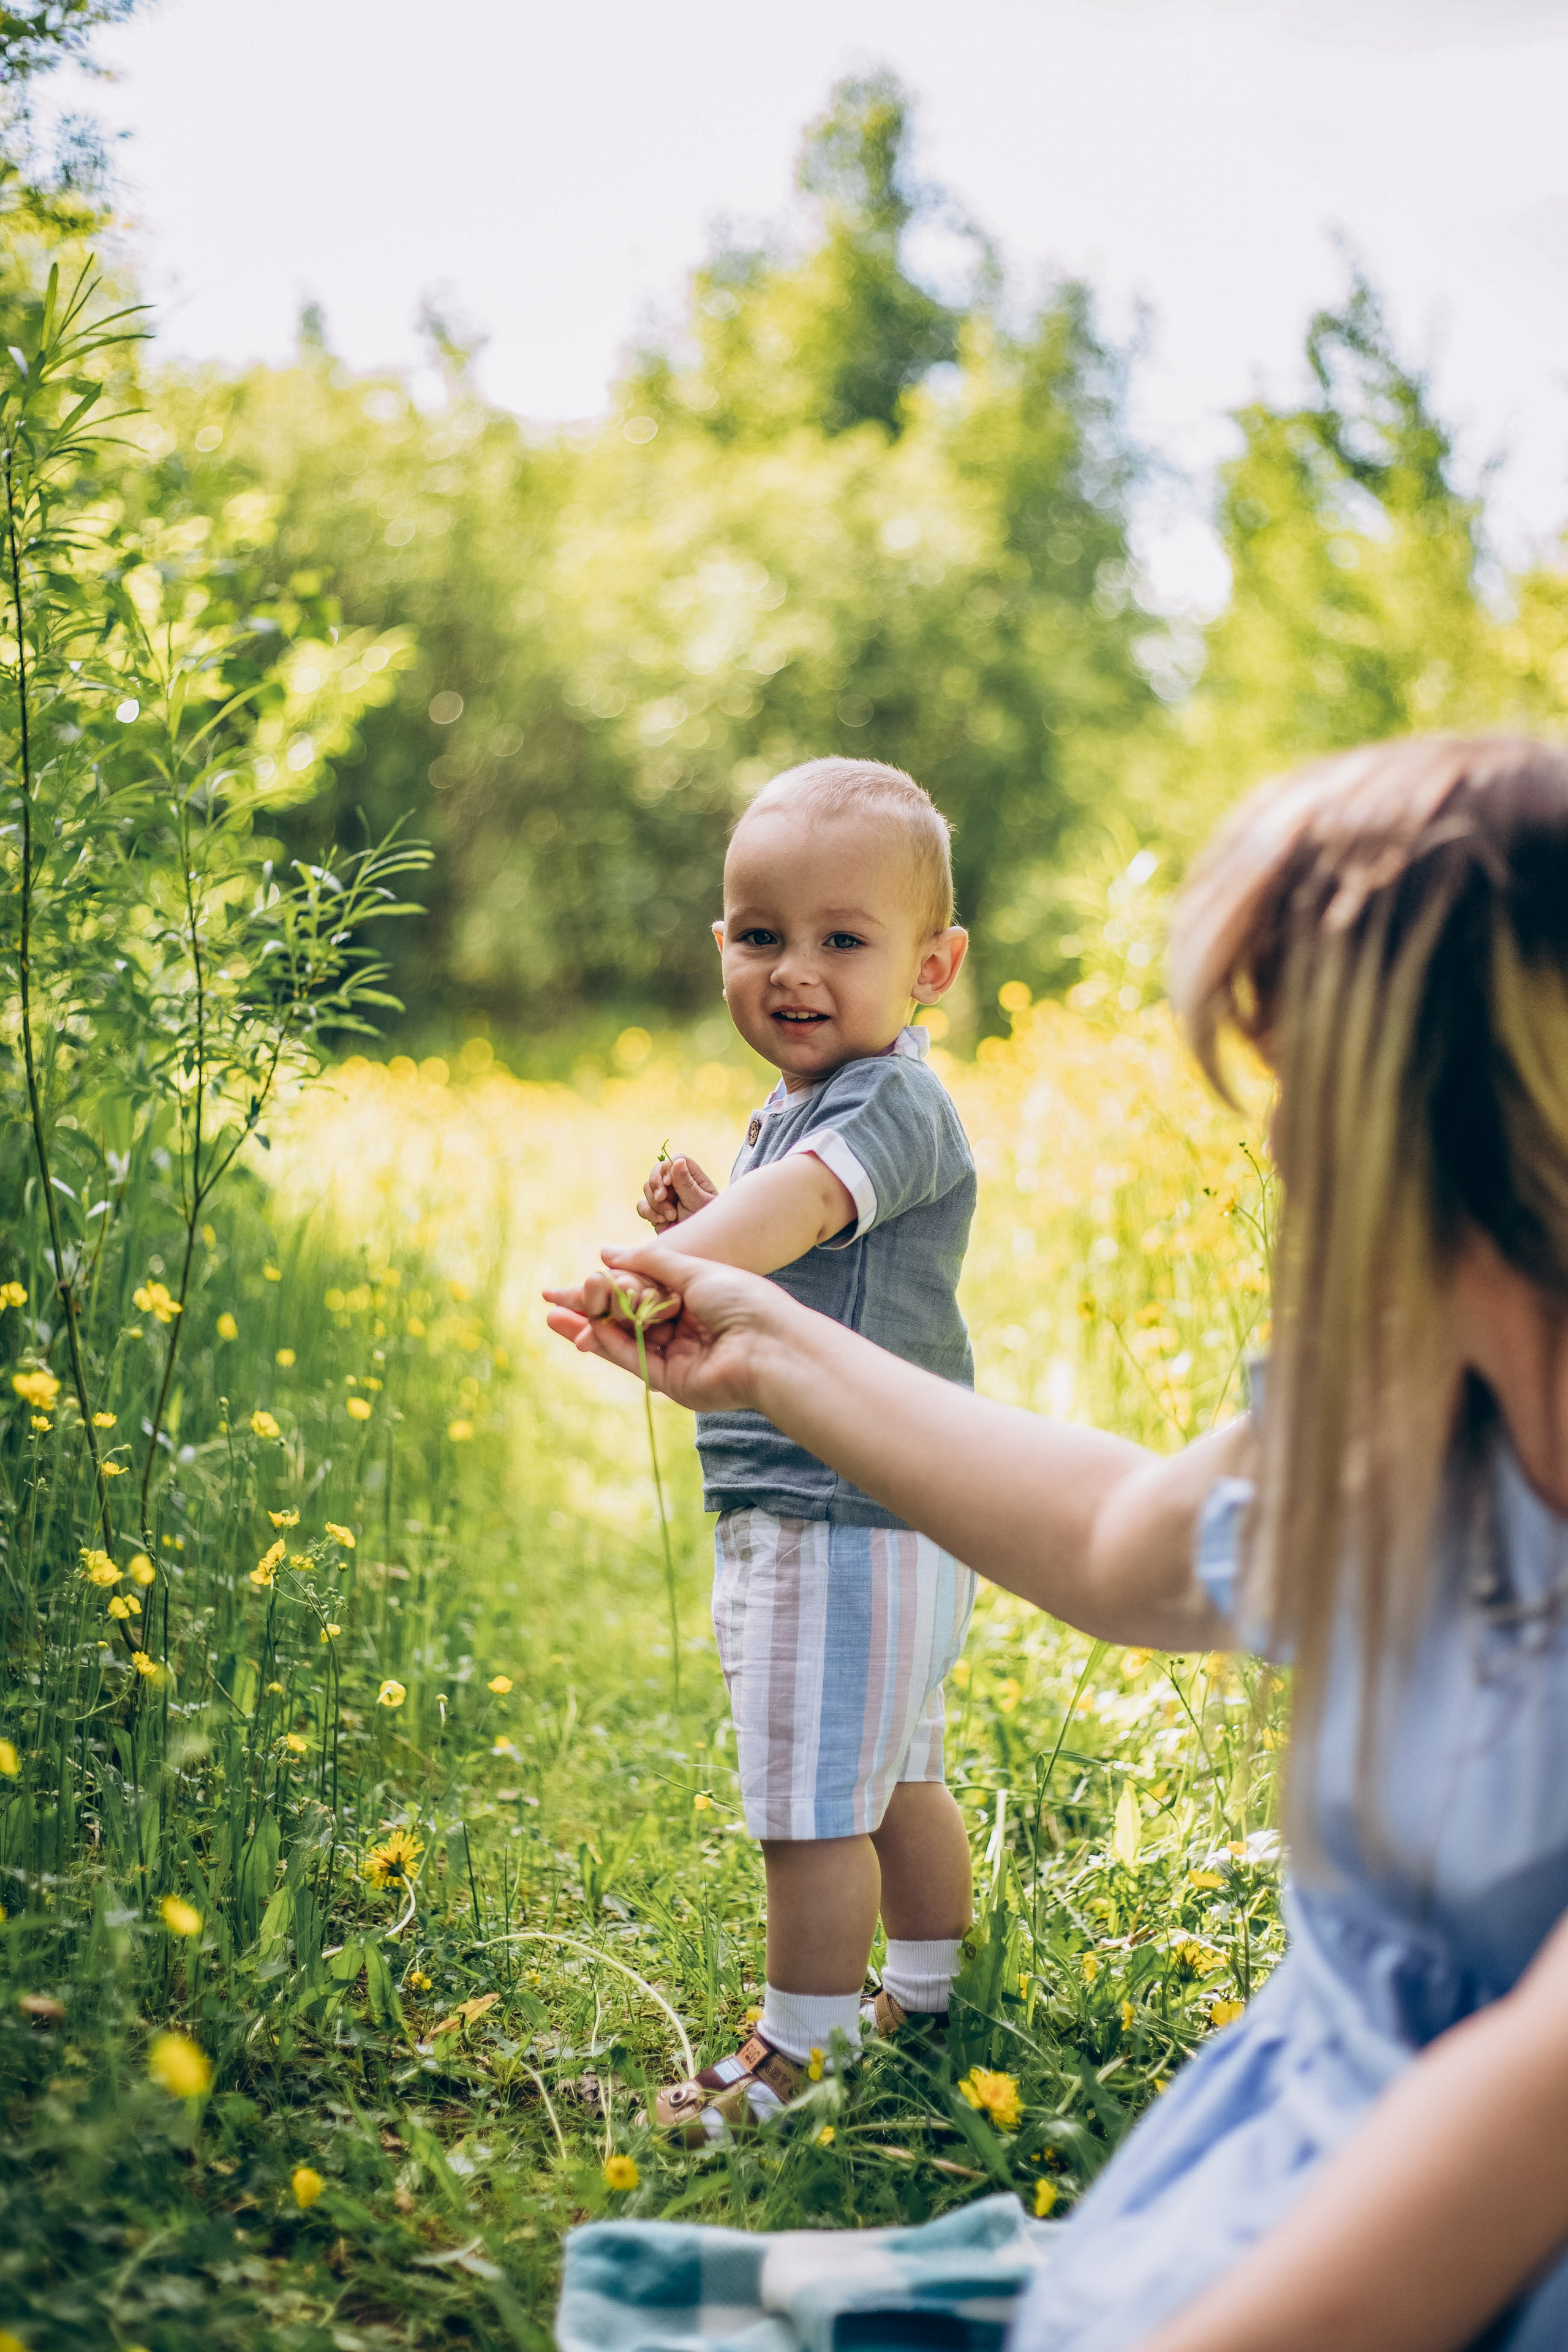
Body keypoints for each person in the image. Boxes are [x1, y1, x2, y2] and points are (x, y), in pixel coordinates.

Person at [547, 734, 1568, 2352]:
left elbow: (1538, 2108)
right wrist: (760, 1347)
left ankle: (814, 2036)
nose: (1280, 1149)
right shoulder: (1412, 1412)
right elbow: (1117, 1536)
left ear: (1442, 1110)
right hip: (1300, 2159)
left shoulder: (886, 1106)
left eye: (1301, 1081)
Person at [548, 756, 978, 2138]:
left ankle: (801, 2049)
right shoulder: (805, 1108)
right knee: (891, 1770)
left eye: (842, 941)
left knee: (807, 1799)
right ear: (718, 944)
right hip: (878, 1508)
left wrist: (662, 1257)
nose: (793, 971)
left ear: (932, 966)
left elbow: (793, 1219)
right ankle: (925, 1989)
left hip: (833, 1511)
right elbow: (787, 1234)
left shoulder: (887, 1107)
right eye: (758, 935)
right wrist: (712, 1208)